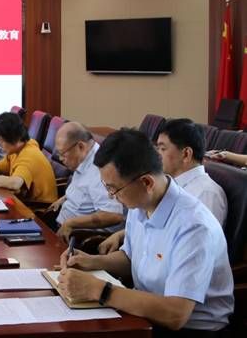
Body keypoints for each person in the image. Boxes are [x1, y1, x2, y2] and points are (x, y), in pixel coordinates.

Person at [58, 129, 233, 334]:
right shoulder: (140, 203)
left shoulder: (193, 226)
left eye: (114, 189)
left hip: (190, 328)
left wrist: (97, 290)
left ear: (147, 182)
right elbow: (131, 258)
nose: (111, 196)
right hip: (144, 312)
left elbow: (176, 314)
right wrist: (92, 262)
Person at [99, 119, 228, 253]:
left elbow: (196, 246)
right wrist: (121, 235)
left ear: (186, 154)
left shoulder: (207, 193)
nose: (157, 154)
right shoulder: (162, 186)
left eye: (162, 148)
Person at [45, 122, 125, 241]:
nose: (61, 159)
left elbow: (113, 215)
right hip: (59, 224)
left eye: (63, 154)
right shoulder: (84, 159)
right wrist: (64, 199)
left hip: (77, 238)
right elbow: (84, 190)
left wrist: (71, 223)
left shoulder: (99, 169)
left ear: (81, 147)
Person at [0, 112, 57, 203]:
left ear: (14, 137)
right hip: (23, 201)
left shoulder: (29, 155)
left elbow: (14, 183)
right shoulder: (20, 147)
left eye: (0, 140)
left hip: (38, 208)